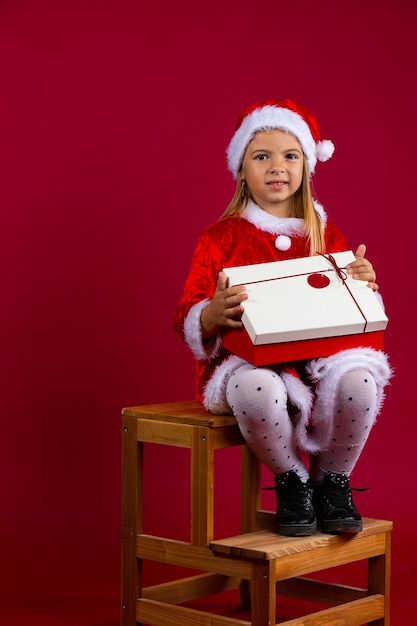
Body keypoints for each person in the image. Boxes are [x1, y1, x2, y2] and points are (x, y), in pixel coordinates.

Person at [174, 99, 392, 537]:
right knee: (258, 389)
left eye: (290, 155)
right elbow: (188, 311)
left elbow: (347, 303)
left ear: (307, 166)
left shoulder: (325, 234)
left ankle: (332, 481)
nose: (278, 167)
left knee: (359, 382)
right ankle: (293, 481)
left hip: (320, 359)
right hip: (249, 361)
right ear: (241, 169)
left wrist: (363, 280)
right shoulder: (220, 237)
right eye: (262, 156)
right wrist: (210, 315)